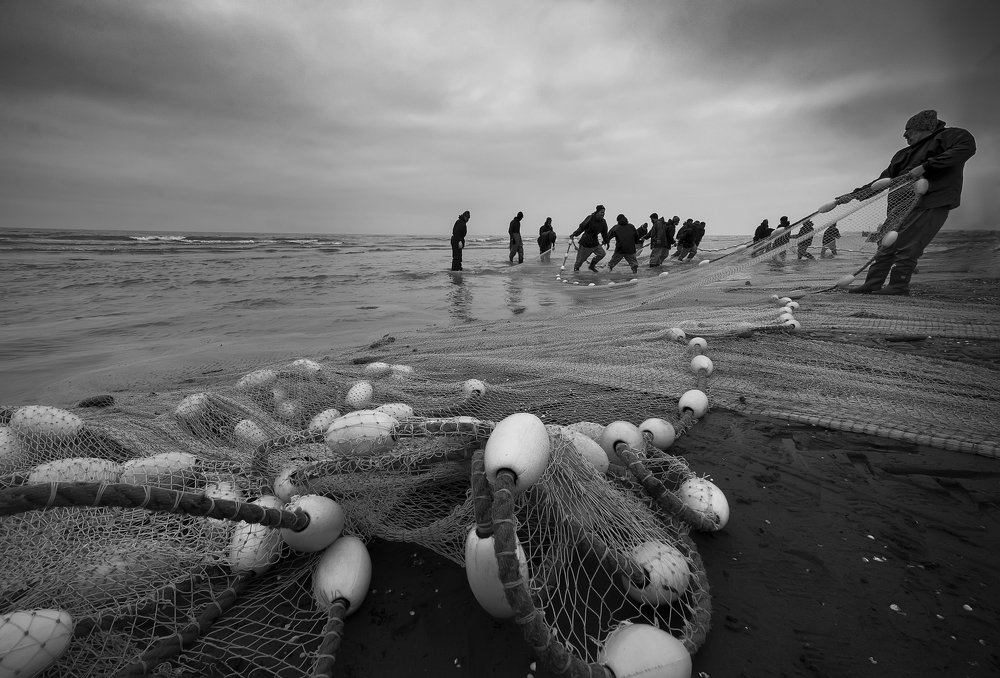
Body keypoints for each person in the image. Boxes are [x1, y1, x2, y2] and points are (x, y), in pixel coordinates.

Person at [846, 109, 976, 295]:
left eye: (909, 129)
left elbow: (965, 149)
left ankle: (898, 285)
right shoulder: (902, 154)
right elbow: (883, 181)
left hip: (931, 201)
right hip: (899, 206)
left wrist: (925, 167)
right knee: (885, 244)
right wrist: (854, 195)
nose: (904, 134)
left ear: (924, 128)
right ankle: (873, 283)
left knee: (909, 244)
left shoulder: (952, 136)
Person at [569, 205, 609, 272]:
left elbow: (604, 232)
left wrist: (606, 241)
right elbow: (581, 228)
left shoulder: (603, 222)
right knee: (580, 261)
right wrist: (574, 234)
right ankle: (576, 271)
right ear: (597, 212)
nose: (603, 214)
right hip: (585, 242)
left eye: (604, 212)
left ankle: (592, 266)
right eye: (601, 212)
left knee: (602, 254)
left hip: (595, 242)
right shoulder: (590, 218)